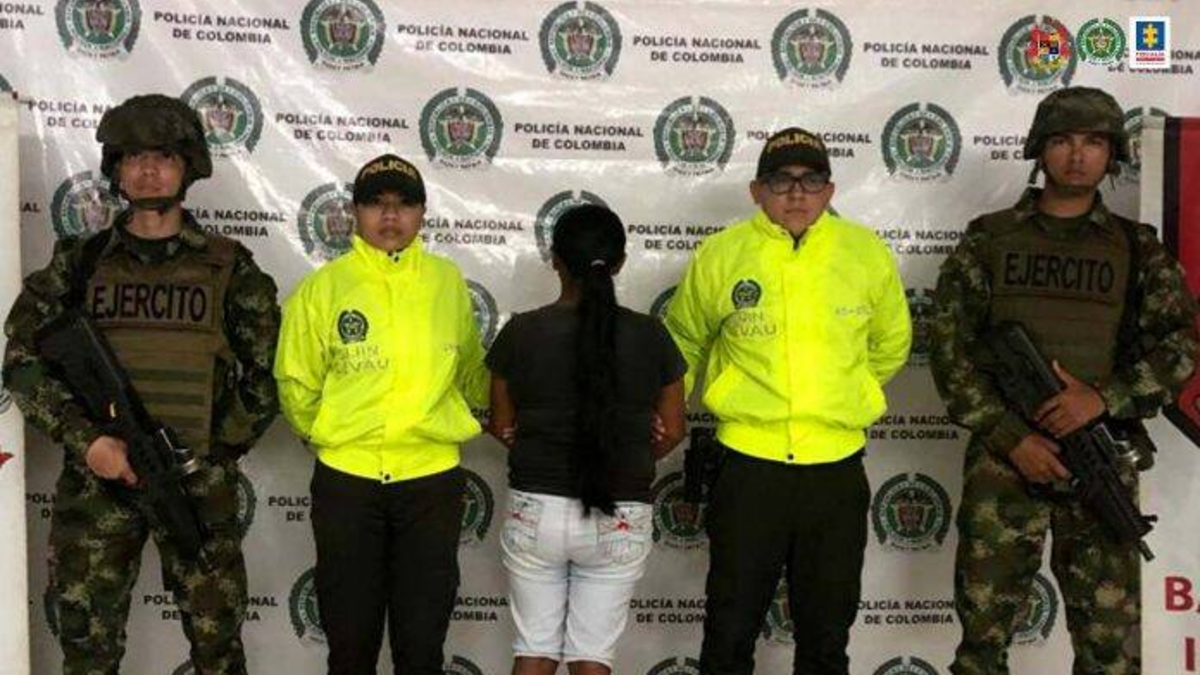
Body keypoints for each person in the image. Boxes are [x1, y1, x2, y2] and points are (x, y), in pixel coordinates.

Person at [2, 93, 281, 675]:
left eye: (163, 156)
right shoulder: (79, 264)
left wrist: (213, 453)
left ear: (188, 167)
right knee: (88, 652)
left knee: (217, 651)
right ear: (116, 169)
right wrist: (87, 442)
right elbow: (22, 361)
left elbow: (267, 375)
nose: (148, 170)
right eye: (133, 157)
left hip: (193, 488)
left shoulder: (229, 267)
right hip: (97, 489)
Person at [930, 86, 1199, 675]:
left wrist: (1102, 399)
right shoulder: (989, 239)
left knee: (1109, 653)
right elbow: (950, 348)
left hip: (1101, 457)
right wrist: (1011, 437)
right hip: (1004, 467)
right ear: (1039, 149)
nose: (1077, 156)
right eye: (1062, 140)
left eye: (1093, 142)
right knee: (981, 650)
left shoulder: (1137, 249)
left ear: (1112, 154)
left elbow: (1181, 346)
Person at [664, 127, 912, 675]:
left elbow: (891, 344)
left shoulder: (865, 253)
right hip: (748, 467)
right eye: (781, 180)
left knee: (826, 635)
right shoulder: (722, 254)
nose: (797, 193)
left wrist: (841, 394)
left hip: (835, 468)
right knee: (729, 630)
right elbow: (681, 342)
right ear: (757, 191)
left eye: (811, 180)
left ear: (830, 190)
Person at [273, 153, 489, 675]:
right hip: (348, 483)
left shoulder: (446, 282)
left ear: (422, 213)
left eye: (404, 204)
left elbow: (469, 372)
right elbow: (296, 381)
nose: (390, 216)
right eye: (376, 204)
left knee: (421, 647)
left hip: (430, 482)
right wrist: (333, 436)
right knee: (350, 647)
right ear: (355, 212)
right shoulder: (324, 288)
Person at [486, 204, 687, 675]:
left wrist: (535, 444)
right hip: (620, 511)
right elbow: (674, 429)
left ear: (555, 260)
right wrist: (632, 451)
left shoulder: (522, 331)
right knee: (592, 657)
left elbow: (501, 423)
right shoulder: (651, 335)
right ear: (619, 263)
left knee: (533, 650)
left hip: (536, 508)